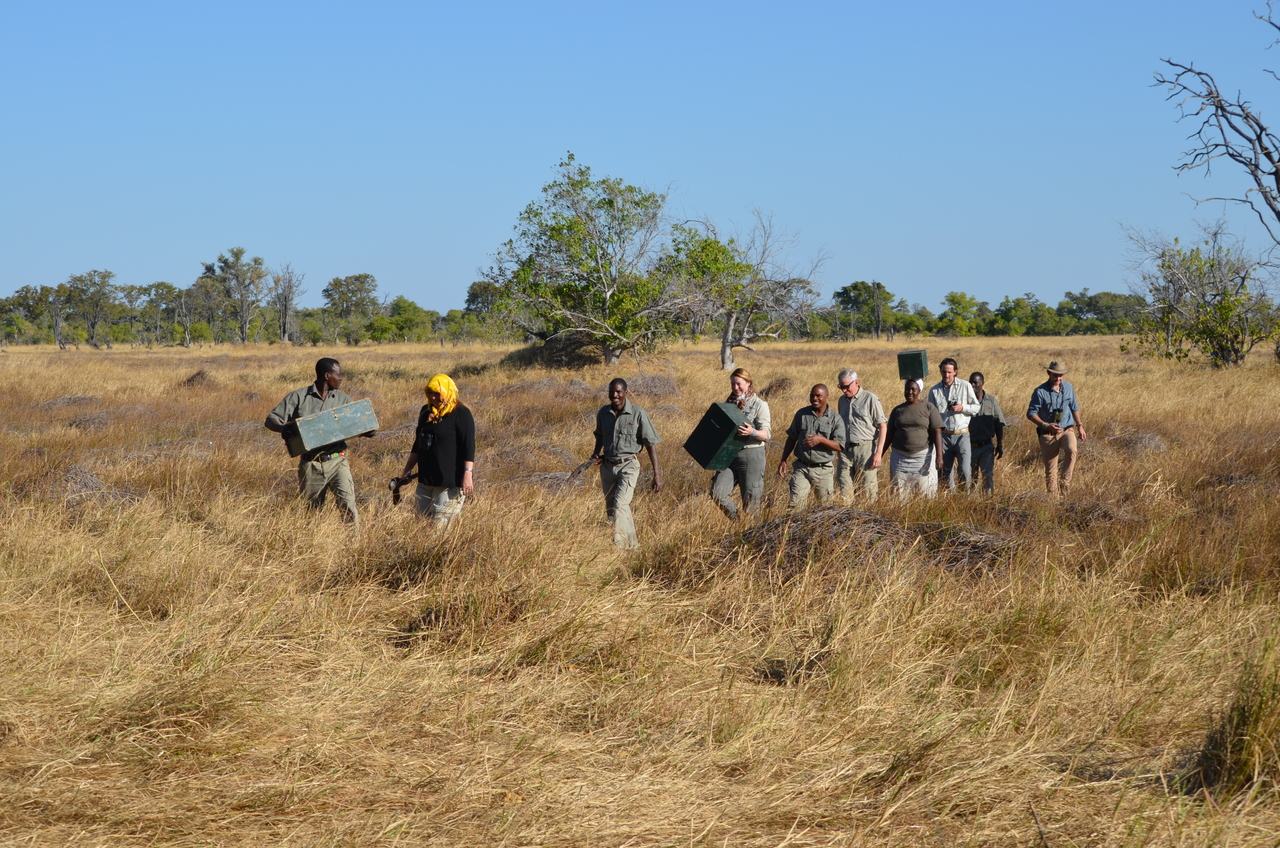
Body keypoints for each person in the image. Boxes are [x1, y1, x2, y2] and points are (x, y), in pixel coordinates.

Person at [265, 357, 371, 524]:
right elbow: (271, 419)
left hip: (337, 460)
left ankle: (353, 545)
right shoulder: (299, 397)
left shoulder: (343, 399)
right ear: (327, 375)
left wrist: (367, 430)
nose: (342, 378)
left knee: (348, 506)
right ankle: (315, 547)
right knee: (312, 514)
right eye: (339, 374)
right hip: (310, 464)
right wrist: (282, 428)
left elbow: (359, 422)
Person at [587, 378, 664, 549]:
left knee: (620, 505)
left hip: (628, 466)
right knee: (612, 510)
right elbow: (599, 435)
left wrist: (657, 475)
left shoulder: (638, 413)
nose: (615, 395)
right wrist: (595, 452)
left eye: (619, 392)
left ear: (626, 393)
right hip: (607, 467)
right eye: (611, 392)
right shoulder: (603, 413)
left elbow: (651, 444)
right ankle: (633, 547)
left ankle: (619, 549)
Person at [397, 374, 475, 529]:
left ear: (447, 392)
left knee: (440, 529)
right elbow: (418, 445)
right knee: (421, 527)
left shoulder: (461, 413)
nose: (433, 397)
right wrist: (406, 471)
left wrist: (467, 475)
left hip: (449, 482)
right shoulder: (425, 412)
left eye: (437, 393)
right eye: (430, 393)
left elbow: (469, 446)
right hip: (426, 480)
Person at [710, 367, 771, 519]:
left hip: (751, 455)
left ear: (748, 383)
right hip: (729, 455)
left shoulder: (760, 405)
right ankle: (736, 520)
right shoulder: (728, 404)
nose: (735, 388)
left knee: (750, 503)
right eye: (732, 384)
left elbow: (767, 434)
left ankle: (752, 533)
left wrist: (753, 432)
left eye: (739, 384)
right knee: (717, 492)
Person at [776, 384, 845, 510]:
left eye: (819, 396)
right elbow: (792, 437)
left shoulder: (835, 419)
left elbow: (839, 445)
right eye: (812, 395)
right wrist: (783, 460)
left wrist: (821, 440)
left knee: (825, 510)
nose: (815, 399)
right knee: (795, 508)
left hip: (823, 470)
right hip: (801, 467)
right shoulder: (802, 414)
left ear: (827, 397)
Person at [1026, 360, 1087, 497]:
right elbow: (1031, 413)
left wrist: (1080, 426)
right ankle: (1053, 500)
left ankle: (1065, 483)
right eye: (1055, 375)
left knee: (1072, 450)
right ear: (1049, 373)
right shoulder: (1040, 391)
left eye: (1061, 376)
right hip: (1048, 434)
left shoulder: (1068, 387)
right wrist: (1046, 425)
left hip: (1067, 430)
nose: (1058, 379)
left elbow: (1074, 407)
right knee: (1051, 471)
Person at [882, 379, 944, 500]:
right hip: (900, 459)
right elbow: (889, 434)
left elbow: (937, 431)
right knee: (899, 495)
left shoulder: (929, 407)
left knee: (926, 493)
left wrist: (939, 456)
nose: (910, 392)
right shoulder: (898, 410)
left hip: (923, 458)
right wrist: (880, 454)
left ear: (919, 391)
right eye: (907, 389)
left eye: (913, 389)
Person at [834, 369, 887, 504]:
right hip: (845, 450)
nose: (844, 390)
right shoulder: (842, 401)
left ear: (856, 382)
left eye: (846, 386)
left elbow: (882, 426)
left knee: (868, 492)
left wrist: (878, 453)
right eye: (841, 387)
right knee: (844, 491)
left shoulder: (871, 399)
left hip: (866, 449)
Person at [928, 357, 980, 493]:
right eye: (944, 372)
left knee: (965, 471)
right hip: (944, 436)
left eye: (949, 372)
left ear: (955, 372)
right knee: (945, 473)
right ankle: (951, 501)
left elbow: (976, 407)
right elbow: (930, 415)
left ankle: (965, 499)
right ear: (940, 371)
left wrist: (962, 407)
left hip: (962, 434)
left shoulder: (965, 386)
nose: (946, 375)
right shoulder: (934, 391)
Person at [968, 371, 1006, 495]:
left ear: (982, 383)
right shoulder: (965, 402)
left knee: (987, 477)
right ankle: (969, 505)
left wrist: (1000, 444)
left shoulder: (991, 401)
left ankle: (987, 503)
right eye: (971, 382)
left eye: (975, 382)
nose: (972, 385)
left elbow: (999, 424)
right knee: (969, 479)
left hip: (986, 447)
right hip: (969, 447)